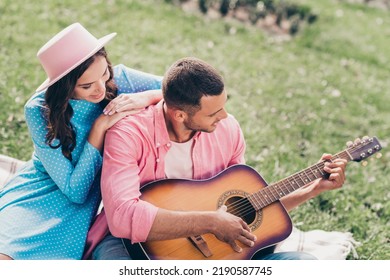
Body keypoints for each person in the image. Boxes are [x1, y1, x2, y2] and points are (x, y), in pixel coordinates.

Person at [85, 57, 348, 260]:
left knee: (303, 264)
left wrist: (313, 189)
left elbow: (248, 210)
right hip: (133, 247)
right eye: (213, 113)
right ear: (180, 115)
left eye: (224, 106)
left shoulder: (228, 129)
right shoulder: (128, 134)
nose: (224, 117)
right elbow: (122, 216)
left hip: (212, 252)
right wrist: (211, 221)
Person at [0, 22, 163, 260]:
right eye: (86, 86)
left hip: (74, 217)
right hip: (36, 195)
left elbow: (182, 90)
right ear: (65, 87)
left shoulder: (120, 80)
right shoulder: (39, 109)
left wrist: (145, 97)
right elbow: (75, 190)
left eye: (104, 73)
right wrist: (99, 128)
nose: (100, 89)